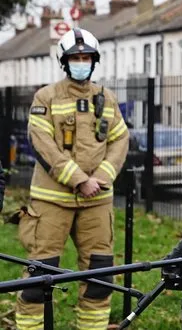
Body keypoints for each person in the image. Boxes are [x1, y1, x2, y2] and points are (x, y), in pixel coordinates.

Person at [15, 28, 129, 330]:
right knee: (40, 276)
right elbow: (42, 144)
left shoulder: (106, 98)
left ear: (94, 61)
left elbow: (120, 140)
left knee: (100, 276)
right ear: (65, 62)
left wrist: (103, 177)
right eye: (75, 57)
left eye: (86, 57)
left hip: (97, 202)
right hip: (52, 202)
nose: (82, 62)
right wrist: (79, 179)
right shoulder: (46, 97)